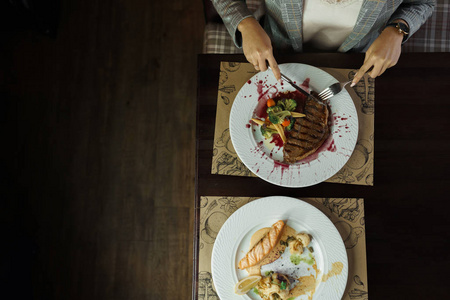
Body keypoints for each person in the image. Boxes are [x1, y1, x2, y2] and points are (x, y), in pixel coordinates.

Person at [212, 0, 434, 86]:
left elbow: (423, 2)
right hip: (278, 50)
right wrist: (245, 23)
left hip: (361, 61)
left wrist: (397, 30)